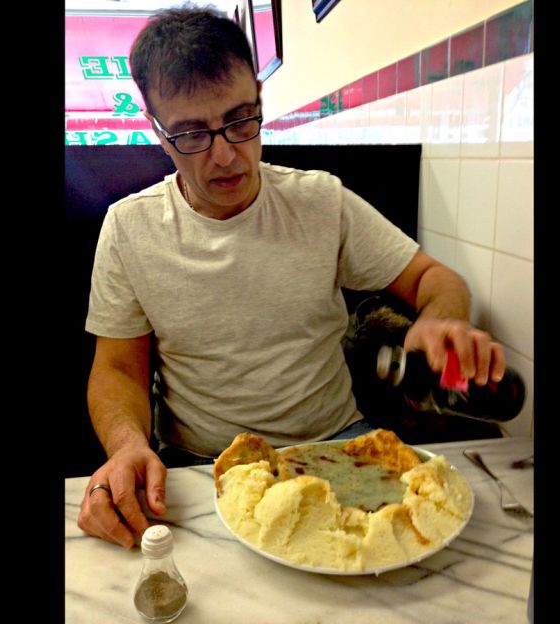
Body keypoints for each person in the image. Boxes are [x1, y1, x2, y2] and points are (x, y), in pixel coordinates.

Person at [77, 6, 507, 548]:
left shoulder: (320, 200)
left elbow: (434, 279)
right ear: (158, 133)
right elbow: (116, 369)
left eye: (240, 119)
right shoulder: (129, 227)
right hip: (201, 465)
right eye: (191, 134)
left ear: (259, 97)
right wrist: (124, 445)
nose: (227, 156)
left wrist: (440, 320)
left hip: (340, 445)